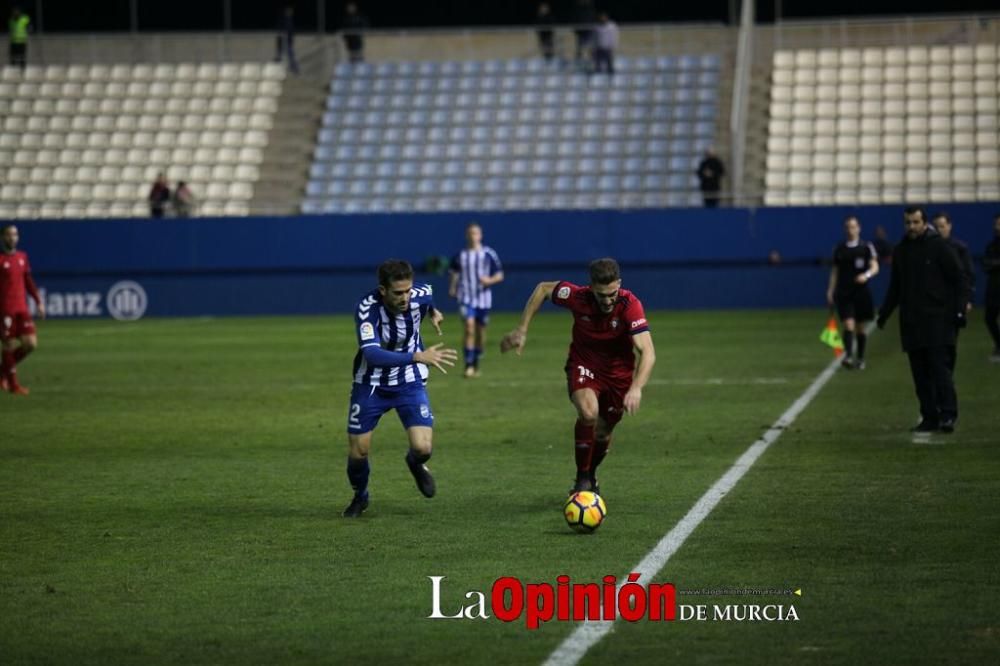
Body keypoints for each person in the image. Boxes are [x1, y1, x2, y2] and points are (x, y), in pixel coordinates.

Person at [500, 258, 656, 494]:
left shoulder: (629, 304)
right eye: (602, 294)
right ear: (591, 287)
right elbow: (543, 288)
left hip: (619, 375)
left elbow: (648, 351)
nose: (607, 300)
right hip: (584, 364)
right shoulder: (577, 297)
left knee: (603, 432)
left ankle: (591, 474)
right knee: (588, 412)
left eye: (612, 293)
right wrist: (522, 329)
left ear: (619, 284)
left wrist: (636, 387)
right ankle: (582, 477)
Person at [343, 259, 458, 517]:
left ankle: (414, 464)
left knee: (423, 449)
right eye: (398, 293)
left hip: (409, 380)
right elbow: (372, 354)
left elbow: (428, 296)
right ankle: (360, 496)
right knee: (359, 451)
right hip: (371, 383)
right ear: (383, 290)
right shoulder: (367, 308)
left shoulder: (420, 293)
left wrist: (433, 313)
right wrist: (418, 356)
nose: (405, 297)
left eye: (407, 291)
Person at [877, 207, 969, 434]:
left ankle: (948, 415)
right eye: (908, 223)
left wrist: (959, 312)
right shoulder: (901, 251)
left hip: (939, 320)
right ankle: (929, 417)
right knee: (920, 376)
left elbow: (959, 280)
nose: (911, 227)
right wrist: (884, 313)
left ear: (924, 223)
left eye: (916, 222)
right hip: (912, 322)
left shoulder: (939, 247)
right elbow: (896, 287)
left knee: (941, 371)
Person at [448, 223, 504, 378]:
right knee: (469, 328)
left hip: (483, 299)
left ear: (480, 235)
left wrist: (489, 280)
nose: (473, 236)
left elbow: (500, 275)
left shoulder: (488, 254)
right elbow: (454, 272)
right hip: (465, 297)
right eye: (470, 233)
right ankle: (469, 365)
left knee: (480, 332)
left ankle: (477, 360)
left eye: (476, 233)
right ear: (467, 236)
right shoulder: (460, 255)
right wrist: (452, 288)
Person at [826, 215, 879, 370]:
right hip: (844, 292)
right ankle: (848, 356)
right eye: (848, 227)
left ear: (859, 228)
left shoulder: (866, 247)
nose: (851, 230)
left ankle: (860, 358)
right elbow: (835, 271)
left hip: (861, 293)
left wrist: (866, 275)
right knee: (848, 324)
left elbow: (875, 267)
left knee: (860, 328)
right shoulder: (839, 249)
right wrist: (830, 290)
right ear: (845, 229)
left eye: (853, 226)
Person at [1, 224, 44, 395]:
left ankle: (3, 370)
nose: (12, 237)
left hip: (21, 308)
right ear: (3, 238)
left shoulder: (22, 257)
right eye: (9, 234)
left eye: (15, 234)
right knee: (8, 345)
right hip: (5, 310)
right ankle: (13, 385)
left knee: (30, 344)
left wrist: (38, 301)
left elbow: (28, 281)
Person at [932, 212, 975, 372]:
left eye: (942, 226)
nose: (939, 230)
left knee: (950, 341)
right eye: (936, 227)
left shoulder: (959, 248)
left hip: (953, 302)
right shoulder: (927, 248)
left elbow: (968, 275)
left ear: (949, 226)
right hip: (933, 303)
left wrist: (967, 300)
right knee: (934, 342)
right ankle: (940, 375)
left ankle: (947, 374)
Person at [983, 213, 1000, 362]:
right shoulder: (992, 245)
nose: (997, 227)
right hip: (994, 288)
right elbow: (986, 265)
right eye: (996, 224)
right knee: (989, 318)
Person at [274, 3, 299, 75]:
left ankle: (294, 69)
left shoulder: (289, 21)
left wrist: (290, 41)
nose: (290, 13)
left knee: (290, 56)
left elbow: (291, 33)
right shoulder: (284, 21)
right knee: (281, 56)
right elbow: (280, 34)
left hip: (288, 42)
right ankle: (278, 69)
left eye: (290, 11)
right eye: (288, 11)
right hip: (283, 42)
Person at [570, 0, 596, 69]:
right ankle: (578, 64)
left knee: (590, 49)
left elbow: (592, 20)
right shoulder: (577, 10)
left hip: (589, 32)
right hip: (581, 32)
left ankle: (591, 64)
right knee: (579, 49)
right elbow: (575, 20)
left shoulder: (590, 9)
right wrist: (576, 30)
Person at [8, 6, 29, 71]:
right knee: (13, 58)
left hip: (22, 41)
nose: (15, 13)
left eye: (17, 11)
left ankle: (22, 70)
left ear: (20, 12)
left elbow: (29, 26)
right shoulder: (11, 20)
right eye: (14, 12)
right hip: (13, 42)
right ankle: (13, 71)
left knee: (22, 57)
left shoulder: (25, 19)